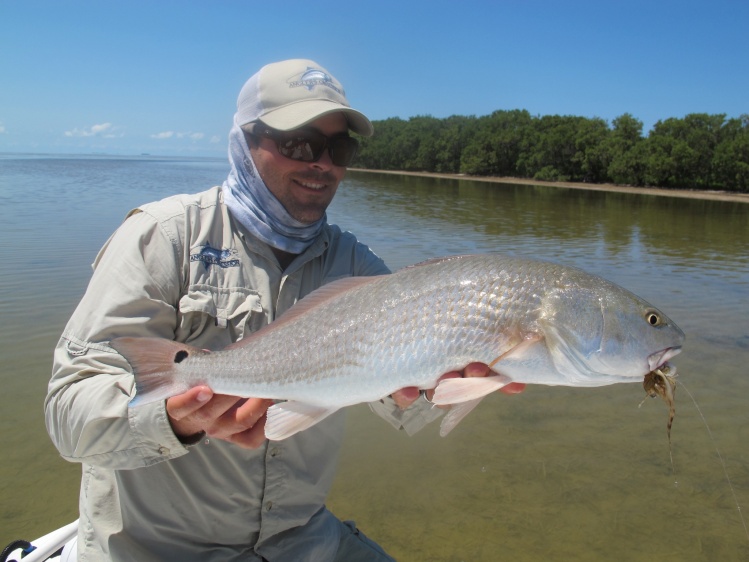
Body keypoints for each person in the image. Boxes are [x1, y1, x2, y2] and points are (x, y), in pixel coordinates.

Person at [45, 59, 524, 561]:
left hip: (302, 542)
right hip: (157, 550)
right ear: (244, 143)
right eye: (300, 143)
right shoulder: (162, 238)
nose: (322, 164)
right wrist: (178, 419)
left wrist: (449, 379)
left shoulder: (357, 264)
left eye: (339, 149)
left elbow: (400, 408)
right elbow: (67, 415)